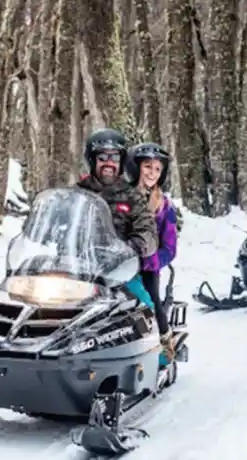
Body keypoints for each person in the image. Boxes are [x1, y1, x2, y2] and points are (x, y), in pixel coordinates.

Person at [76, 128, 175, 362]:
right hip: (79, 268)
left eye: (114, 158)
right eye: (102, 157)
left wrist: (128, 248)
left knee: (145, 304)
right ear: (92, 160)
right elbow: (60, 222)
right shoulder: (79, 193)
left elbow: (148, 233)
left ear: (122, 162)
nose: (108, 163)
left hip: (120, 269)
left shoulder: (132, 197)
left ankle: (160, 353)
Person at [127, 142, 179, 364]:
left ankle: (164, 345)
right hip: (117, 262)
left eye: (157, 169)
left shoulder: (164, 206)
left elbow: (170, 246)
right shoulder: (122, 196)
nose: (152, 173)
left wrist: (154, 260)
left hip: (147, 266)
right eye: (147, 166)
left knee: (150, 302)